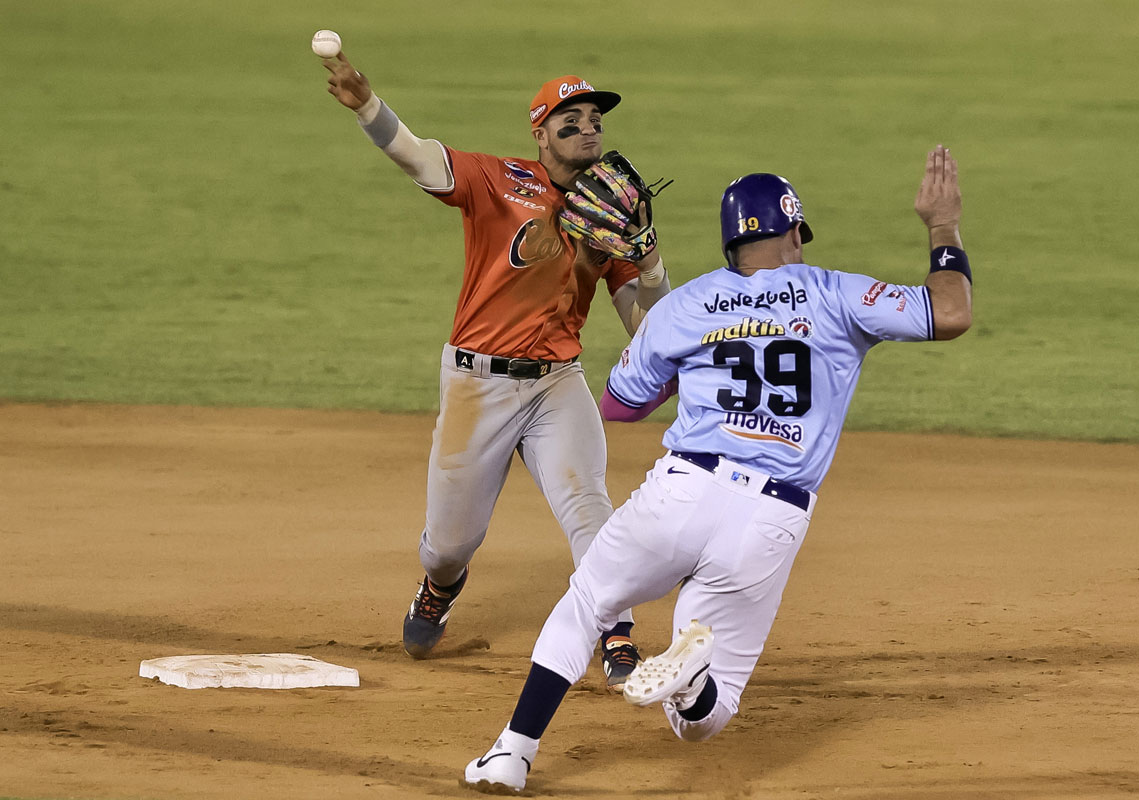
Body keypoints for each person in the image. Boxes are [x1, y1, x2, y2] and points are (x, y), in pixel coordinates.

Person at [462, 145, 973, 793]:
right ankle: (694, 680)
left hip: (682, 489)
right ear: (792, 233)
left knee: (588, 603)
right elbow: (950, 313)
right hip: (770, 517)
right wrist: (943, 228)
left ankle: (511, 754)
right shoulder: (835, 293)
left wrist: (689, 352)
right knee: (704, 722)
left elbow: (622, 403)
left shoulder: (686, 306)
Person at [321, 56, 673, 687]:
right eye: (572, 120)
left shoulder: (609, 218)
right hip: (475, 385)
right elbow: (418, 156)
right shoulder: (498, 178)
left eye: (595, 120)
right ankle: (439, 586)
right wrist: (369, 106)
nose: (588, 129)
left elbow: (649, 330)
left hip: (556, 386)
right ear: (540, 134)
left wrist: (648, 259)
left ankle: (615, 635)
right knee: (450, 544)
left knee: (591, 510)